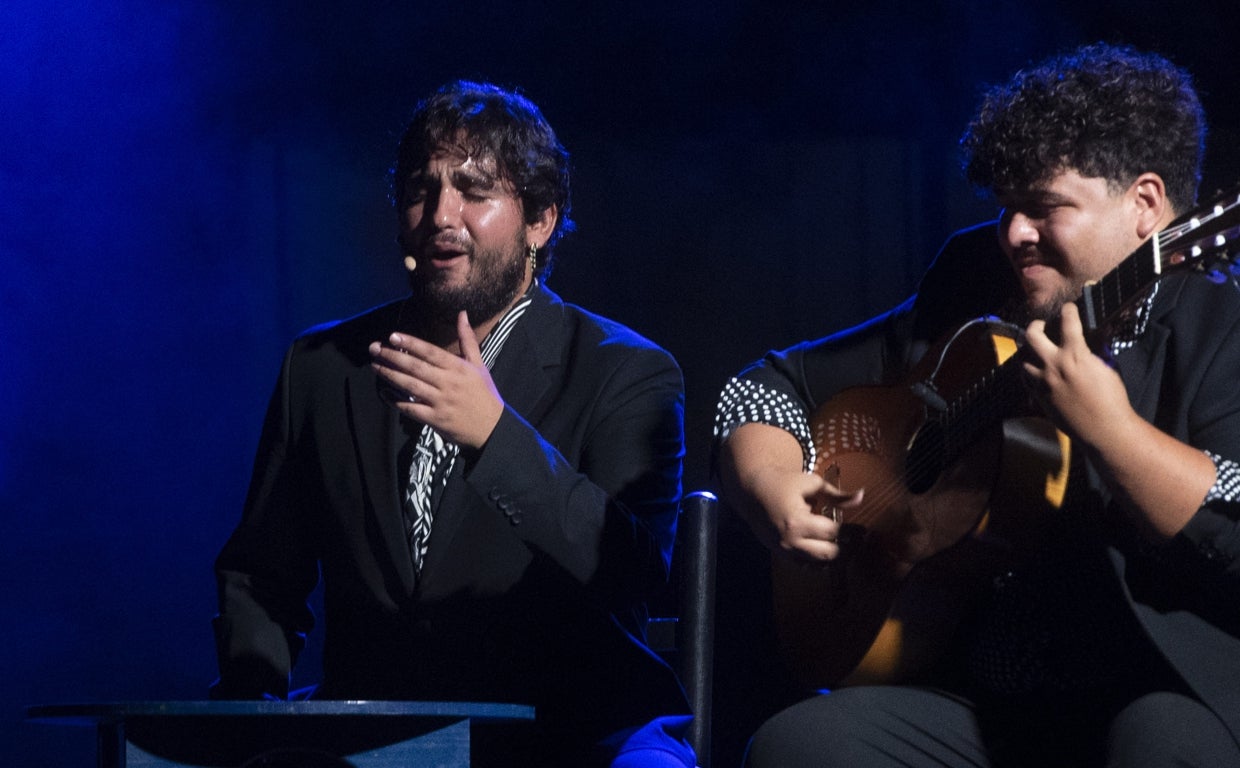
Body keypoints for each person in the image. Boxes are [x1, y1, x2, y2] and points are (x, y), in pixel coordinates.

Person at [715, 43, 1240, 767]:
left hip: (1161, 690)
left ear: (1145, 205)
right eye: (1006, 209)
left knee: (1164, 743)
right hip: (982, 693)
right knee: (798, 745)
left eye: (1045, 208)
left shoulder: (1225, 326)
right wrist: (770, 487)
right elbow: (767, 383)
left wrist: (1112, 433)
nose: (1015, 233)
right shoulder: (976, 279)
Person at [211, 80, 695, 768]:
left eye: (473, 191)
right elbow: (262, 577)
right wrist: (252, 708)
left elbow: (633, 575)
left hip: (571, 731)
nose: (441, 215)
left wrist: (496, 436)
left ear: (540, 221)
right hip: (381, 733)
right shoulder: (322, 366)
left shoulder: (625, 370)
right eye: (421, 189)